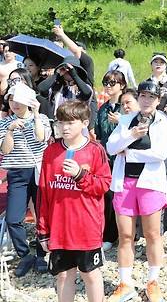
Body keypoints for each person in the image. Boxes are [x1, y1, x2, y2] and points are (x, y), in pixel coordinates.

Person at [37, 100, 111, 302]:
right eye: (61, 122)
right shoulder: (51, 152)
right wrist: (43, 230)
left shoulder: (95, 150)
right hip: (59, 227)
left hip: (87, 226)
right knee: (63, 275)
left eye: (70, 122)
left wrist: (80, 175)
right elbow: (43, 193)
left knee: (90, 274)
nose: (64, 127)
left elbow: (103, 186)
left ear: (85, 123)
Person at [106, 80, 167, 302]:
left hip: (150, 184)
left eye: (151, 97)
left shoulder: (164, 122)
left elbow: (159, 153)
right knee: (126, 235)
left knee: (153, 234)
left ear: (158, 100)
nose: (146, 100)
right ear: (138, 98)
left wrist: (128, 153)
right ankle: (125, 283)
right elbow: (111, 147)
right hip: (124, 182)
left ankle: (153, 281)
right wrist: (131, 136)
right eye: (143, 96)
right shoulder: (126, 120)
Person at [0, 83, 51, 276]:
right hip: (17, 172)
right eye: (11, 99)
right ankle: (24, 255)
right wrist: (10, 131)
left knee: (42, 215)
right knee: (14, 218)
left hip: (38, 170)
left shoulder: (42, 118)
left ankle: (41, 254)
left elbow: (41, 138)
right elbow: (4, 150)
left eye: (19, 99)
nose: (15, 104)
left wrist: (36, 114)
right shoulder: (4, 122)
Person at [95, 71, 127, 251]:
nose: (108, 86)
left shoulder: (127, 105)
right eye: (106, 82)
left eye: (113, 83)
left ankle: (129, 233)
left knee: (124, 196)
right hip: (108, 159)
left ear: (121, 85)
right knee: (108, 197)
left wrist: (122, 120)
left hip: (126, 158)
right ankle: (109, 234)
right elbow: (99, 136)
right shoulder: (103, 109)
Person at [38, 56, 94, 132]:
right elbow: (41, 88)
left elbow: (87, 93)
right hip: (58, 125)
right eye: (65, 70)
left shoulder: (83, 87)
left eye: (71, 70)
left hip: (76, 126)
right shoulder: (56, 87)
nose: (68, 72)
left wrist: (74, 75)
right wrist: (56, 74)